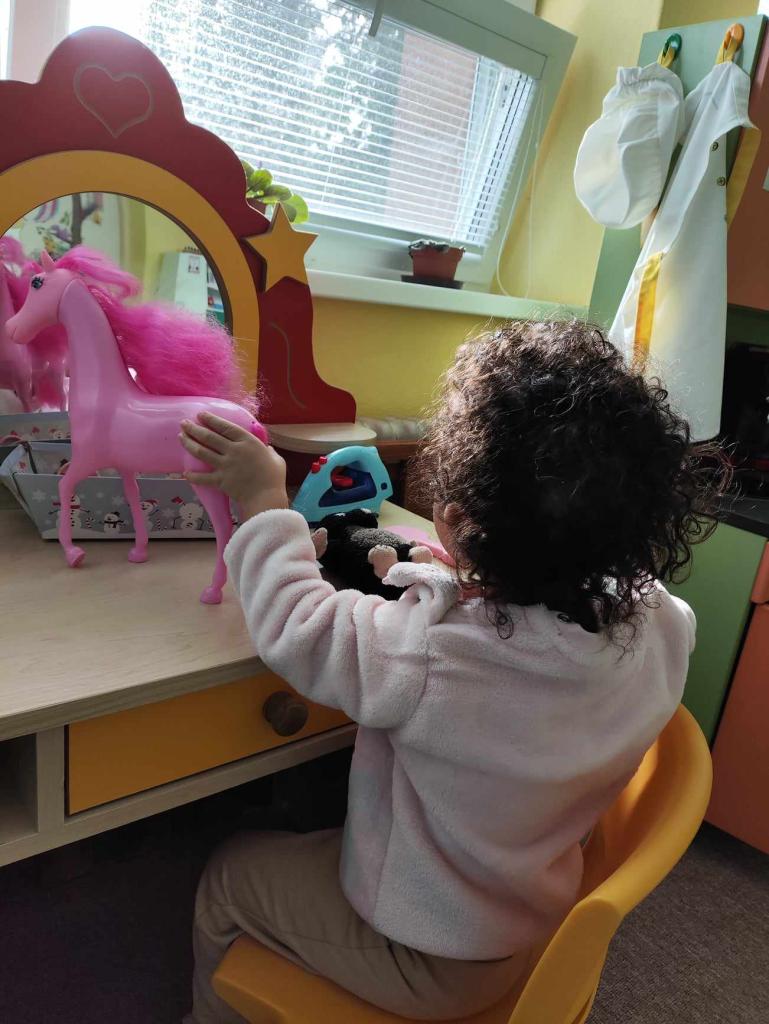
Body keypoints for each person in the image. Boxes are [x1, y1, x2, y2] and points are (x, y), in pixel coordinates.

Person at [179, 321, 722, 1024]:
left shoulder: (432, 654)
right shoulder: (664, 621)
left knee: (229, 871)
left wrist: (263, 502)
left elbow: (297, 626)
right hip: (532, 920)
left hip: (425, 955)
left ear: (458, 522)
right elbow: (556, 620)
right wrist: (475, 574)